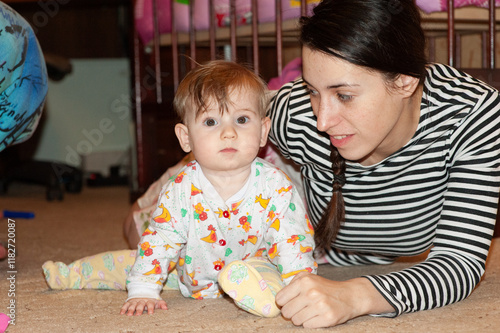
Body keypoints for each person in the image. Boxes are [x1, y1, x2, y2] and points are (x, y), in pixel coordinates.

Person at [265, 0, 500, 328]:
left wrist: (355, 296)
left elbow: (459, 262)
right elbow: (222, 120)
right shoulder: (296, 114)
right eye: (312, 91)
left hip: (378, 260)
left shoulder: (471, 116)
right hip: (298, 237)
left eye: (344, 95)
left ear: (406, 81)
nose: (322, 120)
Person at [43, 60, 317, 318]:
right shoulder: (179, 188)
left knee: (272, 281)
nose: (229, 133)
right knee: (133, 262)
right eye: (211, 122)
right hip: (186, 271)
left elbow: (292, 242)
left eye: (242, 120)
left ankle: (263, 295)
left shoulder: (277, 186)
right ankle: (70, 274)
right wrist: (144, 289)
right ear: (186, 138)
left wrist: (300, 284)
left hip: (257, 268)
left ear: (263, 131)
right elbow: (160, 241)